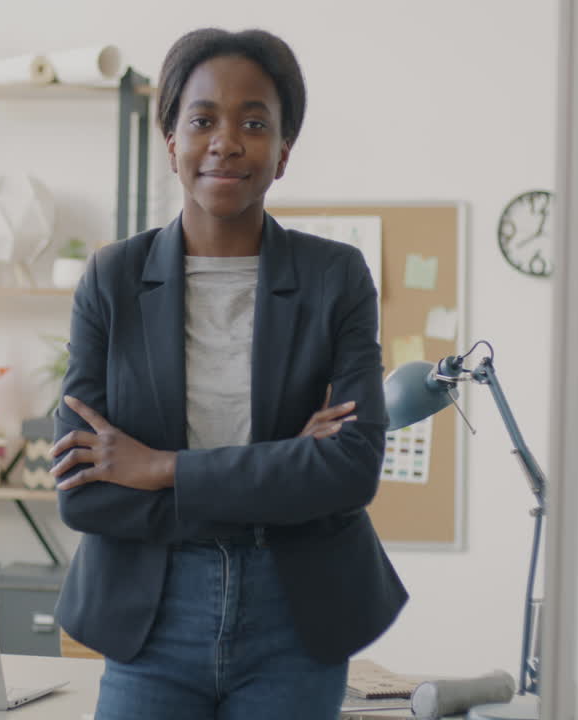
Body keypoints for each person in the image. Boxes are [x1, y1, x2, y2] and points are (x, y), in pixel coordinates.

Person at [49, 27, 407, 720]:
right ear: (171, 140)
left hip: (294, 617)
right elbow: (84, 496)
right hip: (150, 618)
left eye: (254, 122)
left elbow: (352, 470)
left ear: (283, 153)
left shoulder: (335, 279)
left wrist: (159, 468)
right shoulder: (113, 279)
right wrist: (284, 469)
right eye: (203, 120)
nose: (225, 141)